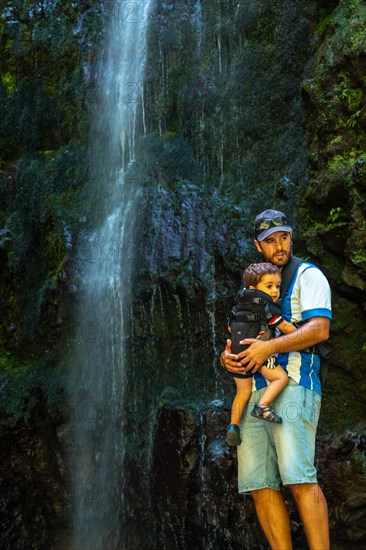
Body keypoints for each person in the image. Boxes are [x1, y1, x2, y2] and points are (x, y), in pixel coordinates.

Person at [220, 209, 331, 550]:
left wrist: (269, 345)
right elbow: (238, 336)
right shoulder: (249, 291)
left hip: (294, 384)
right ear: (258, 246)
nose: (279, 245)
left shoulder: (308, 276)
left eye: (284, 237)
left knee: (299, 477)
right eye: (270, 241)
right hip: (253, 390)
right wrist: (228, 356)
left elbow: (319, 329)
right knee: (259, 486)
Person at [226, 262, 297, 447]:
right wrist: (299, 332)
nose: (274, 291)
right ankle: (263, 406)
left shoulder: (237, 305)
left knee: (242, 391)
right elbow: (285, 327)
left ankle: (233, 425)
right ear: (253, 288)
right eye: (269, 286)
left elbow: (229, 327)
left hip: (236, 353)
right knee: (280, 378)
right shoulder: (266, 307)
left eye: (277, 286)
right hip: (257, 352)